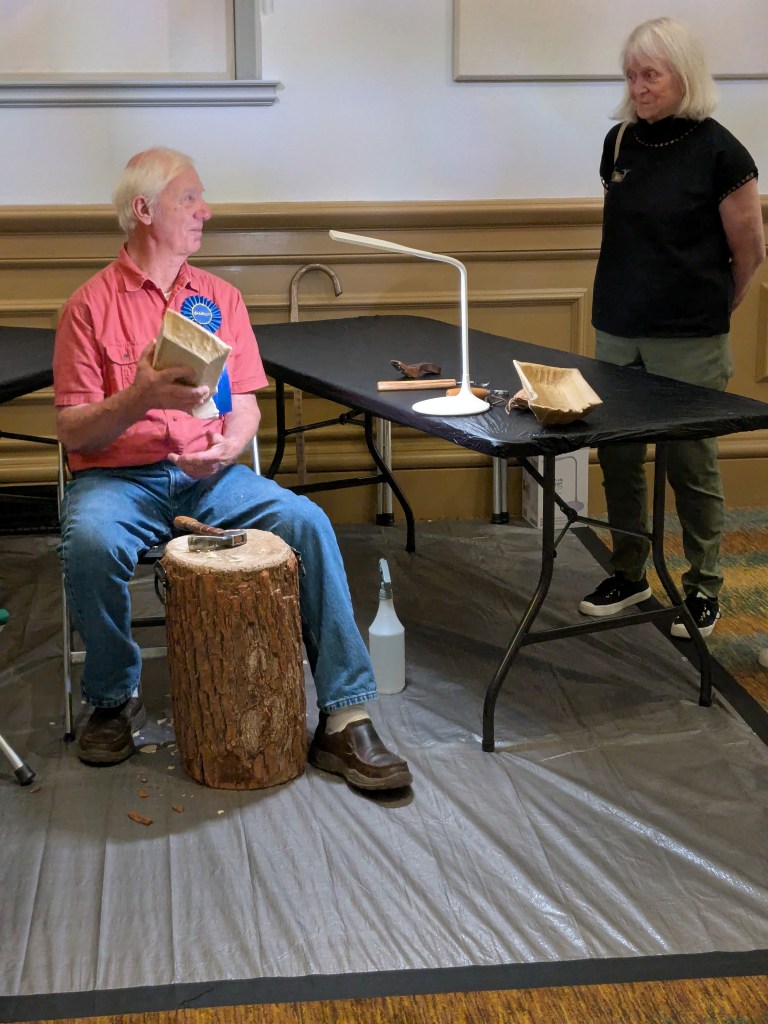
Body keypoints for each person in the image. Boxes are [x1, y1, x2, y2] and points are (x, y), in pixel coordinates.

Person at [53, 147, 412, 790]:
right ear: (143, 210)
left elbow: (245, 405)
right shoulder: (89, 306)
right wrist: (140, 397)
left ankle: (345, 716)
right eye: (189, 198)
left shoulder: (220, 297)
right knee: (90, 540)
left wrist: (227, 446)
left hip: (212, 478)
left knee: (306, 521)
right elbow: (72, 430)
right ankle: (111, 700)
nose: (205, 211)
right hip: (117, 480)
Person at [580, 17, 765, 638]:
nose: (638, 86)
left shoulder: (722, 151)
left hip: (690, 337)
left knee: (691, 464)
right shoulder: (618, 144)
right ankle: (630, 573)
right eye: (631, 75)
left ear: (683, 75)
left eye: (650, 74)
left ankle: (705, 584)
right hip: (618, 330)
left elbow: (750, 253)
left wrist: (710, 308)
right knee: (620, 458)